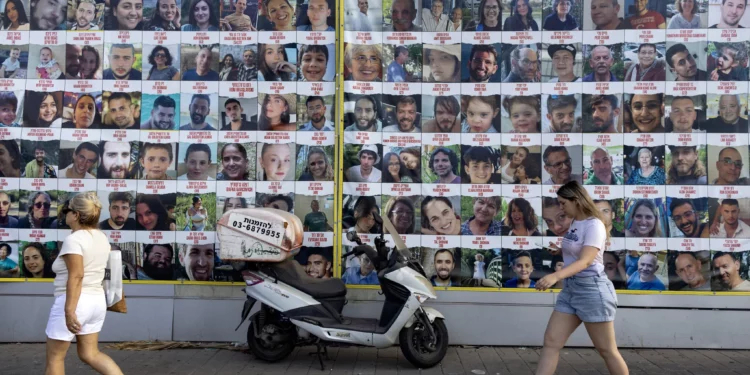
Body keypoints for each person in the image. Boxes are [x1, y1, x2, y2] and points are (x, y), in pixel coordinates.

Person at [534, 181, 627, 374]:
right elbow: (577, 252)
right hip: (571, 290)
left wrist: (554, 276)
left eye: (562, 203)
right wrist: (560, 250)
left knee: (607, 350)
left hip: (592, 290)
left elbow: (586, 261)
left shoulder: (594, 225)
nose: (561, 207)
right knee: (551, 343)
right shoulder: (576, 222)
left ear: (576, 200)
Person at [44, 192, 124, 375]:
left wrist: (69, 310)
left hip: (75, 301)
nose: (66, 214)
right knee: (90, 353)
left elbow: (77, 275)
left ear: (76, 215)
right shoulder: (101, 237)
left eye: (67, 211)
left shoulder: (74, 240)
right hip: (96, 302)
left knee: (55, 358)